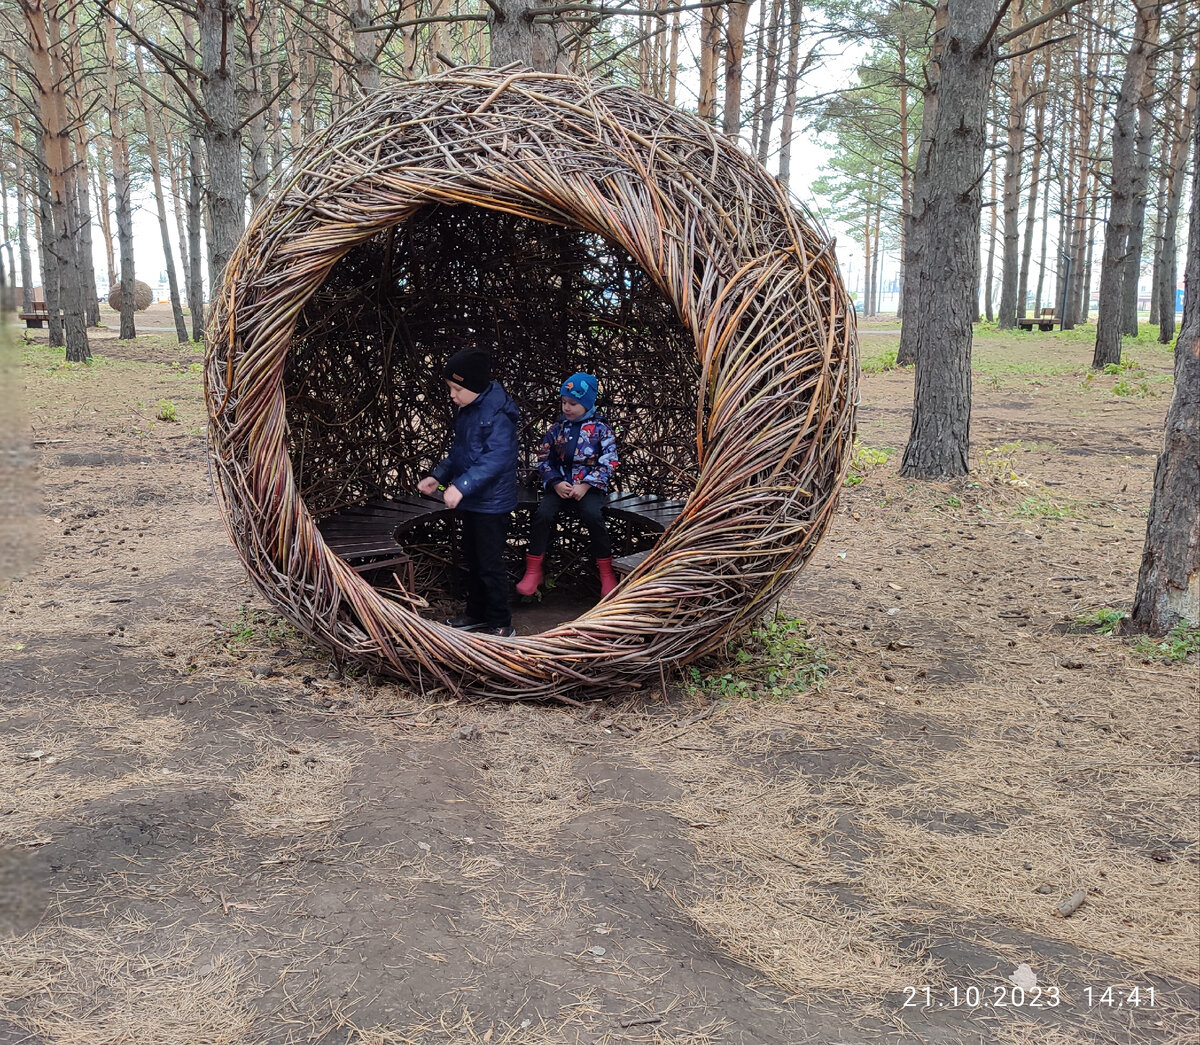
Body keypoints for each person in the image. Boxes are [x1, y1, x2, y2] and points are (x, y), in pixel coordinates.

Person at [418, 347, 520, 637]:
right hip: (474, 502)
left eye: (457, 388)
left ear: (474, 386)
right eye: (450, 387)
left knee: (490, 564)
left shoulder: (498, 415)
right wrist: (437, 477)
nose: (452, 395)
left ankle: (501, 622)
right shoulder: (469, 410)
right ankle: (476, 614)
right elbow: (459, 454)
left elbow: (495, 460)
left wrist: (461, 486)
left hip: (492, 504)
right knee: (473, 560)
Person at [515, 372, 620, 599]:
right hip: (561, 485)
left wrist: (587, 484)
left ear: (587, 403)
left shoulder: (601, 429)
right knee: (543, 514)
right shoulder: (556, 429)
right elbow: (544, 459)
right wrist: (554, 482)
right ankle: (534, 570)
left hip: (589, 488)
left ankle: (606, 573)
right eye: (564, 402)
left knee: (594, 516)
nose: (567, 408)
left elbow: (609, 461)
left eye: (573, 403)